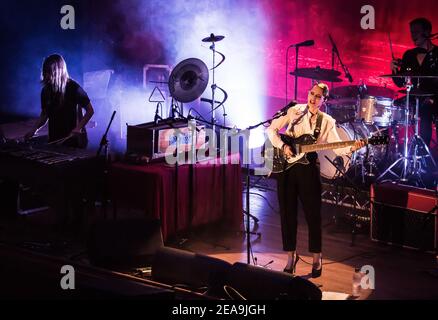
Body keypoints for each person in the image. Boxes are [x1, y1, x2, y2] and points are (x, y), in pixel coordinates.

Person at [266, 83, 364, 278]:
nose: (313, 98)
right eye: (312, 94)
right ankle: (290, 257)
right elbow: (271, 130)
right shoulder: (294, 110)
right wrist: (284, 146)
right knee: (287, 214)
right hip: (286, 166)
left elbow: (339, 148)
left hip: (308, 168)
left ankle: (317, 258)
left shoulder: (326, 121)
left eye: (318, 96)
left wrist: (353, 147)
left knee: (313, 215)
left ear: (324, 100)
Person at [25, 54, 94, 148]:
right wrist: (33, 130)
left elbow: (90, 111)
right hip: (54, 140)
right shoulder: (46, 91)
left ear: (58, 72)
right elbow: (44, 115)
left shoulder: (74, 88)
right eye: (45, 72)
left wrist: (78, 128)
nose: (46, 75)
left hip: (74, 141)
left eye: (49, 72)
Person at [391, 17, 438, 149]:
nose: (413, 35)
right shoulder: (409, 55)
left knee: (426, 110)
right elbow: (400, 83)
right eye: (412, 32)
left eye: (416, 31)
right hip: (415, 96)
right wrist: (394, 69)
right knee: (392, 107)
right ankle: (393, 151)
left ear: (427, 32)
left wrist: (432, 97)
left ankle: (423, 154)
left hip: (434, 97)